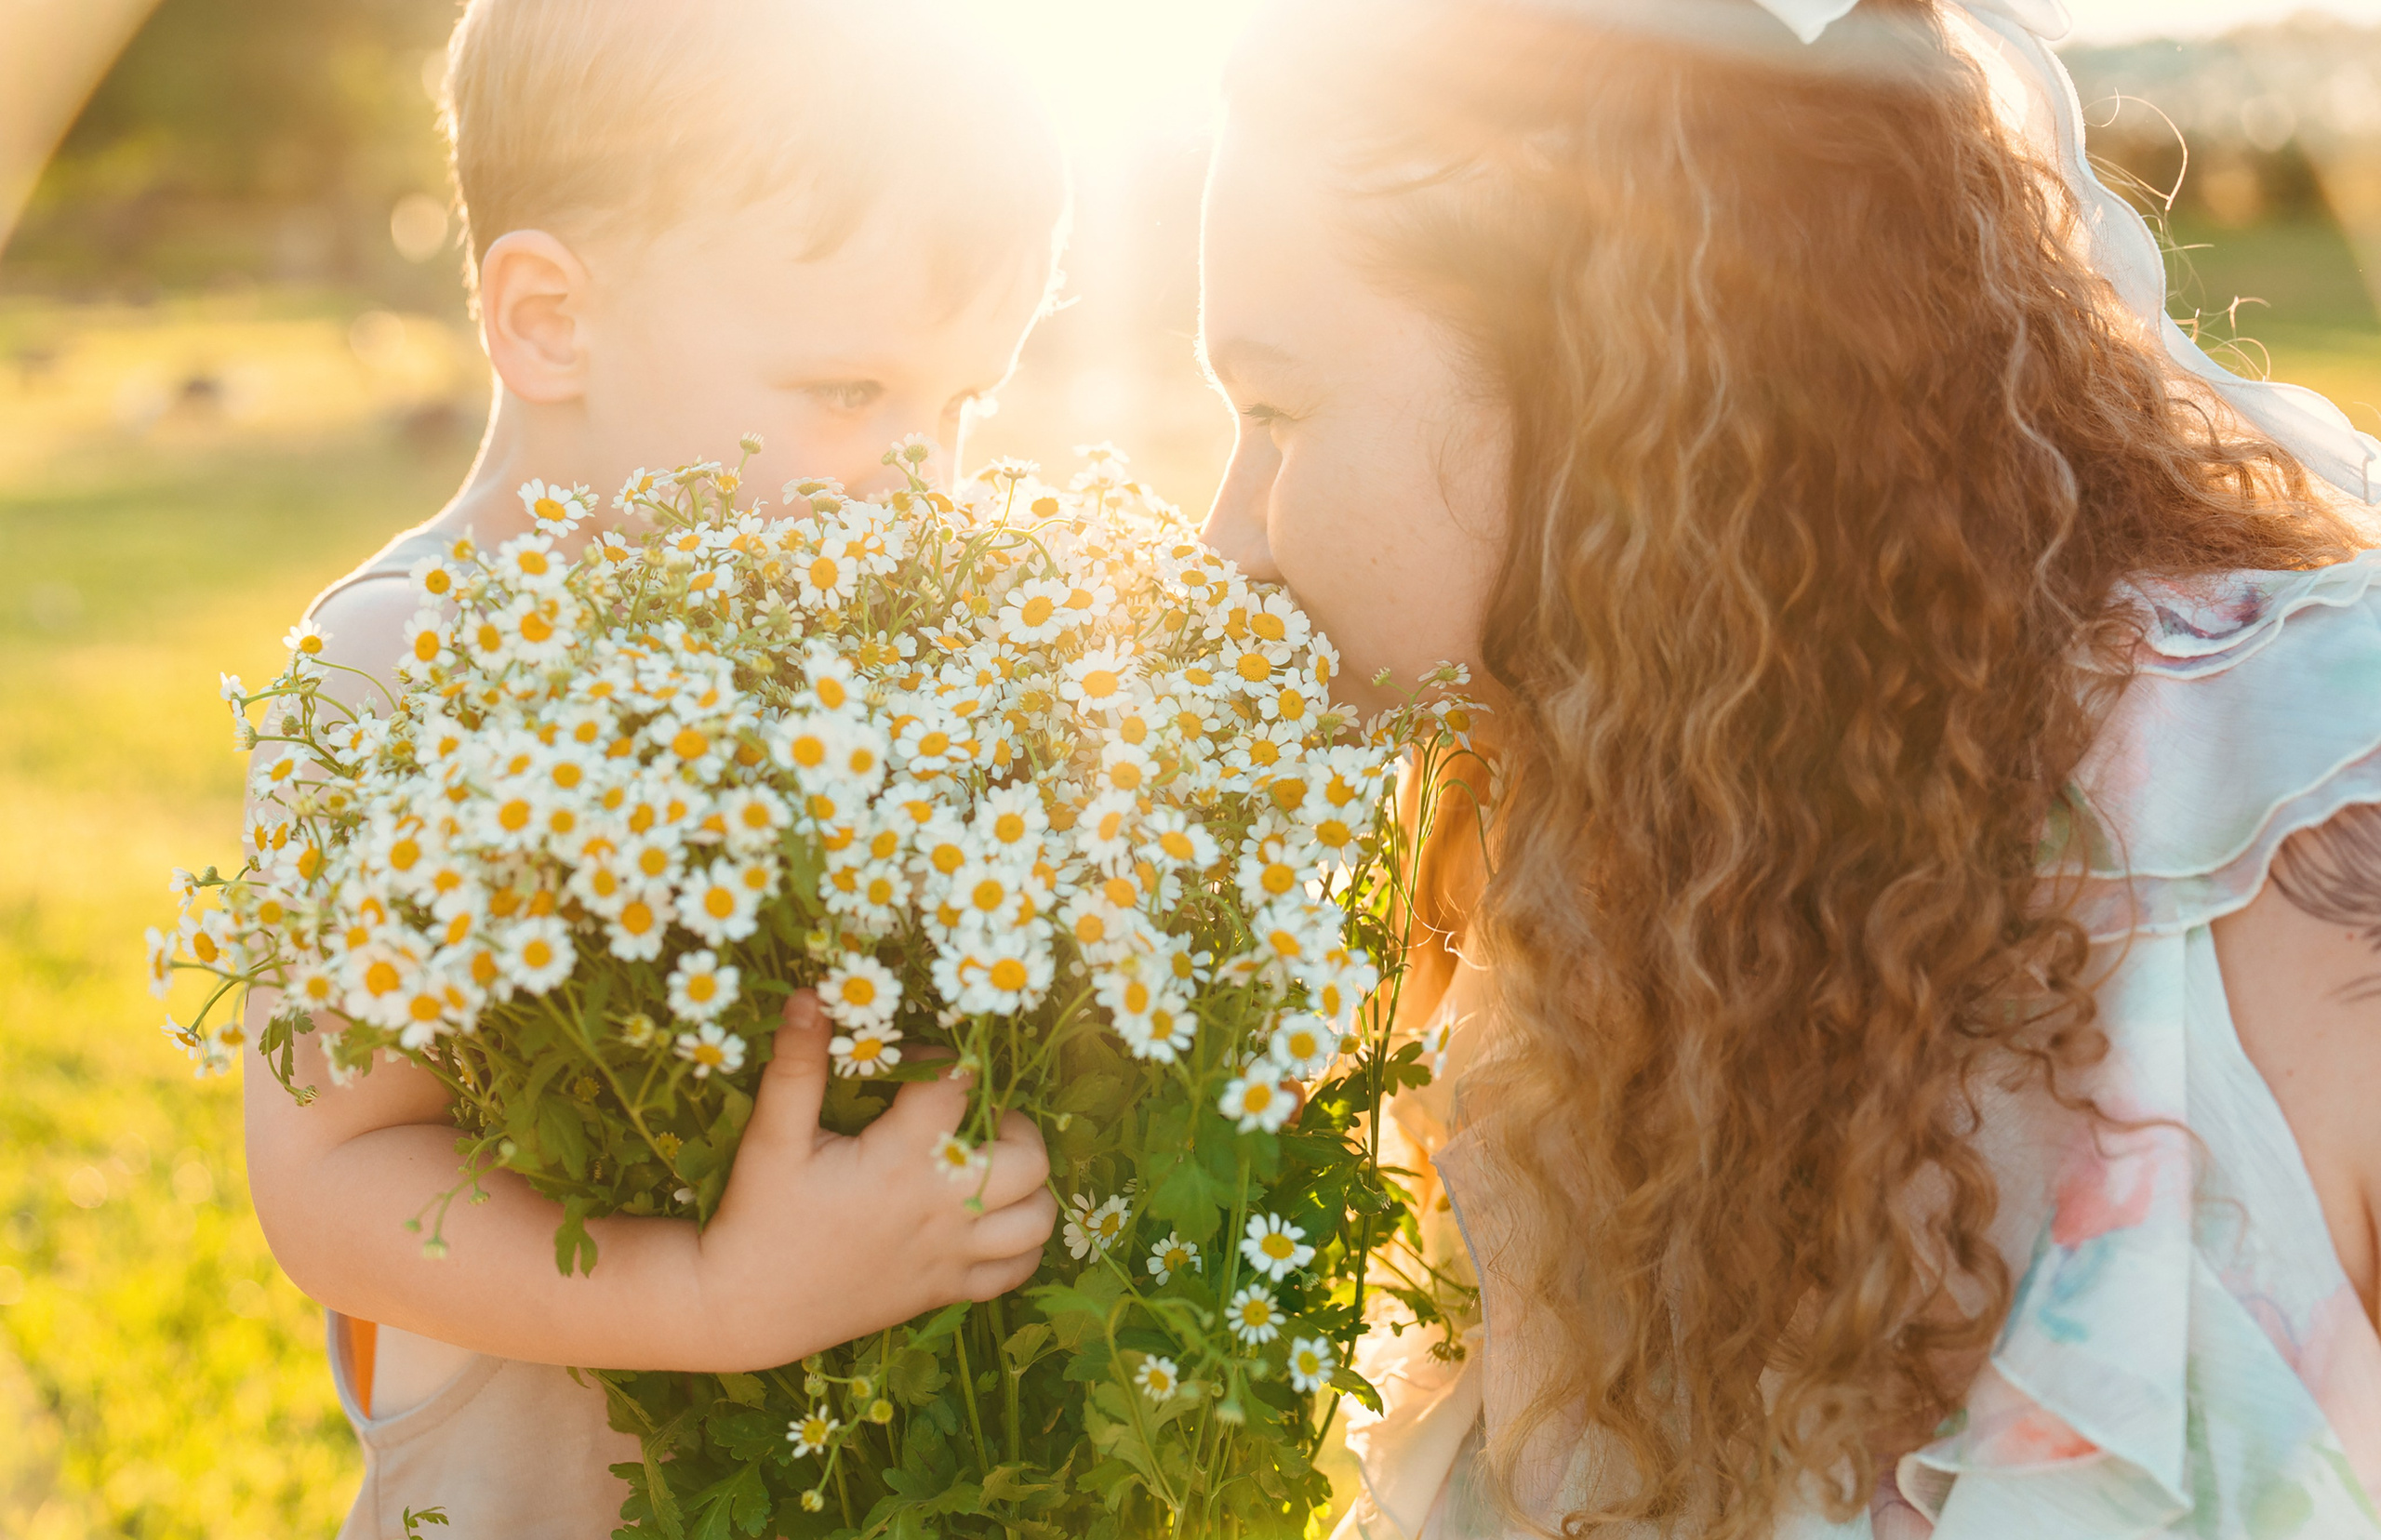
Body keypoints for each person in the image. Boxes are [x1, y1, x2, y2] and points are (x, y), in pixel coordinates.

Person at [1199, 0, 2381, 1535]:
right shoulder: (1588, 913)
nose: (1226, 541)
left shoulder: (2290, 855)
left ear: (1603, 383)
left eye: (1278, 409)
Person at [239, 4, 1065, 1535]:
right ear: (550, 318)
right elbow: (330, 1181)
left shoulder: (847, 648)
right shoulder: (405, 657)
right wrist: (712, 1297)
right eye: (845, 394)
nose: (922, 483)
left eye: (961, 409)